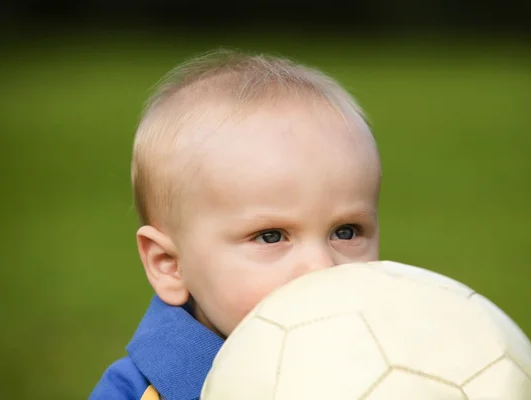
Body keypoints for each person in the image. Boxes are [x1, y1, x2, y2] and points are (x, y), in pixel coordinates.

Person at [90, 49, 383, 400]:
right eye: (271, 236)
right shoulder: (144, 393)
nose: (321, 267)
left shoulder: (395, 366)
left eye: (346, 231)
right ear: (169, 264)